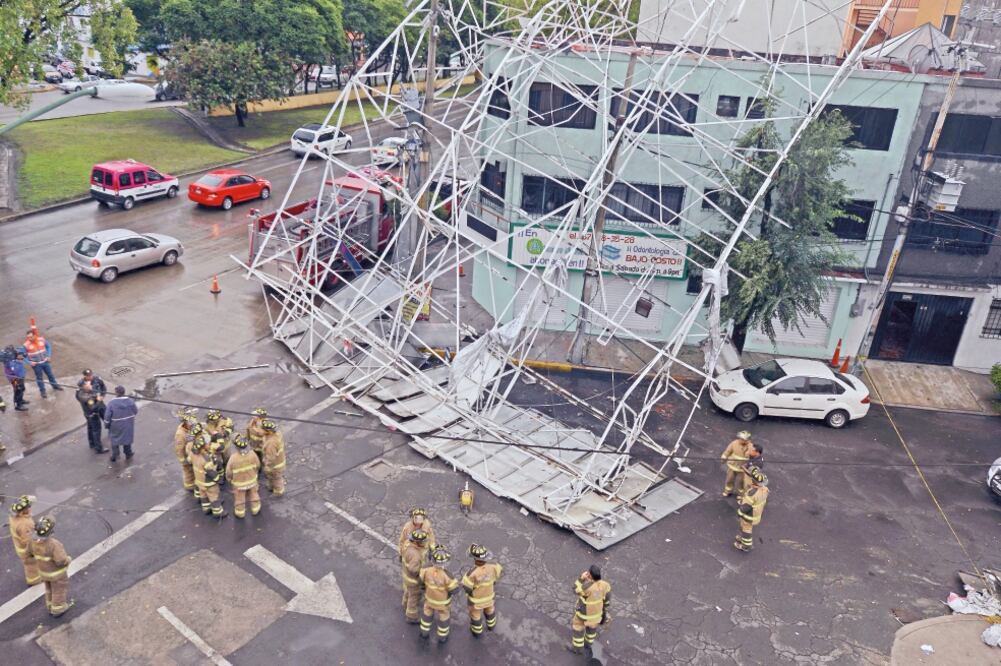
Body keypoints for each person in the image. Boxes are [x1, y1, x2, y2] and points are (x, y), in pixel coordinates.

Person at [31, 516, 74, 617]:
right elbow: (60, 561)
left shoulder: (32, 542)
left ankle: (50, 605)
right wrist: (68, 560)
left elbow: (30, 554)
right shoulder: (54, 544)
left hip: (44, 573)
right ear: (50, 532)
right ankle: (58, 609)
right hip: (57, 575)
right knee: (58, 590)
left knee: (49, 589)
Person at [419, 545, 459, 644]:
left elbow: (421, 582)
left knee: (427, 615)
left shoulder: (425, 569)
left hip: (429, 600)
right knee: (444, 617)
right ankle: (442, 636)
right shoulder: (448, 576)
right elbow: (454, 590)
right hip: (443, 603)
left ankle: (424, 632)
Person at [462, 544, 503, 638]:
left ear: (474, 559)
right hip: (490, 597)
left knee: (475, 615)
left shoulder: (471, 573)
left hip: (476, 601)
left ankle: (477, 632)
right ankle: (491, 626)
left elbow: (467, 588)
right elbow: (498, 575)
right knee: (490, 610)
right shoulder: (494, 566)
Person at [570, 565, 611, 655]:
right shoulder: (605, 585)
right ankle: (588, 644)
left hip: (583, 615)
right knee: (591, 631)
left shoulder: (587, 587)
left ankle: (577, 649)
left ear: (590, 576)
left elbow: (574, 589)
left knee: (578, 629)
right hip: (596, 615)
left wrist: (581, 578)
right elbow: (607, 601)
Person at [734, 464, 770, 553]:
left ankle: (746, 545)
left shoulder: (752, 493)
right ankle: (742, 538)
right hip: (756, 514)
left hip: (749, 516)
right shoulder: (765, 489)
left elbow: (746, 507)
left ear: (753, 482)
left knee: (746, 530)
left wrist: (739, 513)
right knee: (744, 527)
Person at [225, 434, 261, 518]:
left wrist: (229, 479)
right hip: (252, 481)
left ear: (237, 447)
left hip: (239, 484)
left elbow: (228, 472)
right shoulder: (252, 454)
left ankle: (240, 513)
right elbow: (258, 465)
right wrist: (255, 473)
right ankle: (255, 510)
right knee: (254, 495)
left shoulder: (233, 458)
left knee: (239, 499)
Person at [8, 495, 41, 587]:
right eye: (29, 507)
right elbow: (28, 540)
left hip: (20, 547)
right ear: (24, 509)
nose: (30, 508)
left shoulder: (14, 514)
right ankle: (34, 580)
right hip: (27, 550)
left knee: (29, 564)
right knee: (31, 566)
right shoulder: (25, 524)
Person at [401, 529, 430, 623]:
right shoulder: (415, 555)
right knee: (414, 597)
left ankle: (405, 603)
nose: (424, 543)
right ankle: (411, 616)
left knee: (408, 591)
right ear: (417, 542)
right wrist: (423, 571)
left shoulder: (407, 544)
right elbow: (413, 569)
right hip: (413, 580)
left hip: (406, 577)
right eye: (423, 542)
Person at [24, 328, 62, 398]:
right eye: (28, 337)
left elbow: (48, 346)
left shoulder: (41, 339)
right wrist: (29, 362)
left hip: (45, 362)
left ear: (35, 335)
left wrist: (48, 356)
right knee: (39, 378)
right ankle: (43, 391)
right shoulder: (26, 345)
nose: (30, 338)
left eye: (31, 337)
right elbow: (22, 355)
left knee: (50, 375)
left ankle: (55, 385)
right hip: (36, 365)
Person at [104, 386, 138, 462]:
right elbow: (135, 411)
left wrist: (106, 425)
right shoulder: (130, 401)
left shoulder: (111, 403)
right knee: (127, 438)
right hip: (128, 424)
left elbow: (107, 416)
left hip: (115, 425)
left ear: (116, 393)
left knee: (115, 439)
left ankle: (115, 456)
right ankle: (128, 453)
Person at [75, 380, 107, 453]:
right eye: (87, 383)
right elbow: (93, 408)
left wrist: (94, 395)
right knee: (96, 431)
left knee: (90, 428)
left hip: (87, 414)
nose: (89, 383)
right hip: (93, 415)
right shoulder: (87, 398)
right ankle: (99, 448)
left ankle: (92, 443)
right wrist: (98, 400)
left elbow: (78, 395)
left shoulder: (79, 392)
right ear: (84, 386)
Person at [720, 430, 754, 498]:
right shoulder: (734, 443)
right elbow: (728, 451)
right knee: (729, 479)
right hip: (733, 465)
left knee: (740, 482)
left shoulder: (751, 446)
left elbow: (754, 457)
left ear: (747, 440)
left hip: (743, 468)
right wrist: (724, 456)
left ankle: (740, 494)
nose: (740, 440)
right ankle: (727, 491)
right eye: (740, 438)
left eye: (743, 439)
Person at [261, 420, 286, 497]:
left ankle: (278, 492)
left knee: (276, 479)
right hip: (278, 462)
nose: (262, 430)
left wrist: (267, 465)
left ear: (268, 431)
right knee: (272, 477)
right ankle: (271, 487)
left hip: (275, 466)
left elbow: (271, 458)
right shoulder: (277, 435)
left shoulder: (271, 443)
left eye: (264, 429)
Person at [174, 415, 197, 496]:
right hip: (186, 456)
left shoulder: (189, 429)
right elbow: (179, 448)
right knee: (188, 471)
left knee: (193, 470)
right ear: (186, 423)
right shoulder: (180, 434)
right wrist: (183, 460)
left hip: (191, 454)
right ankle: (189, 485)